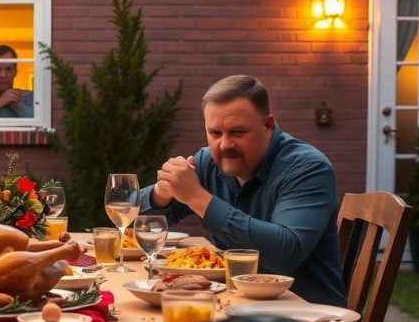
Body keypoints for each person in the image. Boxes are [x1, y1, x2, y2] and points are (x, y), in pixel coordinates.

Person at [140, 75, 345, 306]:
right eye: (215, 133)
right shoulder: (207, 162)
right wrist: (163, 192)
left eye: (238, 132)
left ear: (267, 126)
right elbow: (132, 220)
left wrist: (197, 197)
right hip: (235, 306)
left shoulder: (307, 168)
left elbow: (285, 253)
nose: (225, 145)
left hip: (309, 318)